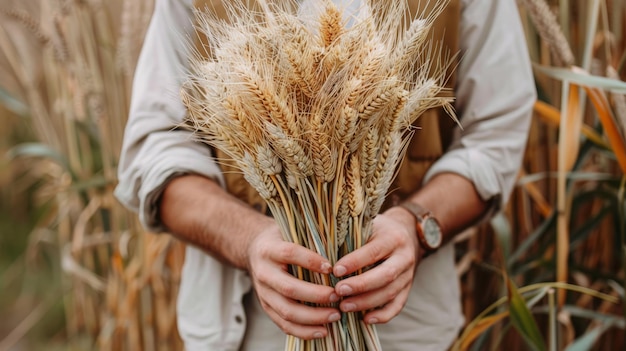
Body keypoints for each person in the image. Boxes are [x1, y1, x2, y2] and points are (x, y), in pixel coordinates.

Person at [115, 0, 536, 350]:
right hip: (243, 330)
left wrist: (415, 225)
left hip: (408, 328)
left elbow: (495, 136)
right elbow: (155, 150)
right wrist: (248, 240)